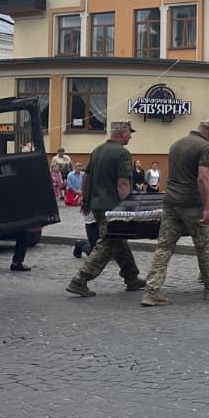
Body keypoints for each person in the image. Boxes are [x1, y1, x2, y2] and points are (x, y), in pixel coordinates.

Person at [140, 120, 209, 306]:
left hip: (171, 202)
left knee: (164, 247)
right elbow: (202, 178)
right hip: (192, 204)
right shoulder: (205, 147)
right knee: (205, 246)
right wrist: (207, 207)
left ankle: (151, 291)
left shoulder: (177, 144)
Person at [65, 122, 148, 296]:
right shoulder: (122, 153)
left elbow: (86, 177)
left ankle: (131, 277)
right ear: (121, 134)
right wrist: (128, 208)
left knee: (118, 240)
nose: (130, 137)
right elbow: (123, 183)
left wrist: (85, 199)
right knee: (108, 242)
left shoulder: (98, 150)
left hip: (97, 204)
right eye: (129, 133)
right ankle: (80, 280)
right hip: (113, 206)